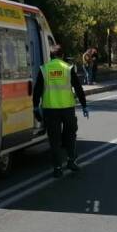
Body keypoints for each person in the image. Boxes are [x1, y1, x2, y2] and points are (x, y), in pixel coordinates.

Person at [32, 45, 89, 178]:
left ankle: (57, 168)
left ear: (50, 56)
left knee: (54, 140)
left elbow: (37, 90)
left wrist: (35, 106)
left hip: (50, 110)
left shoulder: (44, 69)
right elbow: (78, 88)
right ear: (62, 55)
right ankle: (71, 161)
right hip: (67, 109)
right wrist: (84, 105)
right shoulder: (68, 68)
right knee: (70, 136)